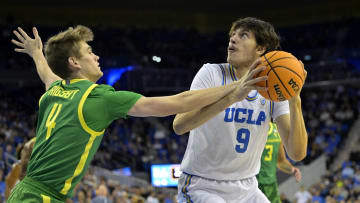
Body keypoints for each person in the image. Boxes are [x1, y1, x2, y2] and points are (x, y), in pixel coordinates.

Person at [8, 25, 267, 202]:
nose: (96, 56)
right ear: (74, 63)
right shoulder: (98, 98)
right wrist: (237, 86)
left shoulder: (55, 91)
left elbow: (47, 75)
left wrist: (37, 54)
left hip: (26, 192)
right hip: (41, 197)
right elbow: (179, 102)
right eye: (89, 52)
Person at [173, 17, 308, 203]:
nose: (233, 39)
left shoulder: (272, 90)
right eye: (232, 35)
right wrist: (232, 96)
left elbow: (297, 153)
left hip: (247, 188)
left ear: (261, 49)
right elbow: (180, 125)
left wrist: (295, 100)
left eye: (243, 35)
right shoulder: (211, 73)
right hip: (203, 186)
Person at [257, 122, 302, 203]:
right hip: (252, 183)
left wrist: (291, 169)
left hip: (271, 184)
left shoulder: (277, 130)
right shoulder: (251, 128)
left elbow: (280, 161)